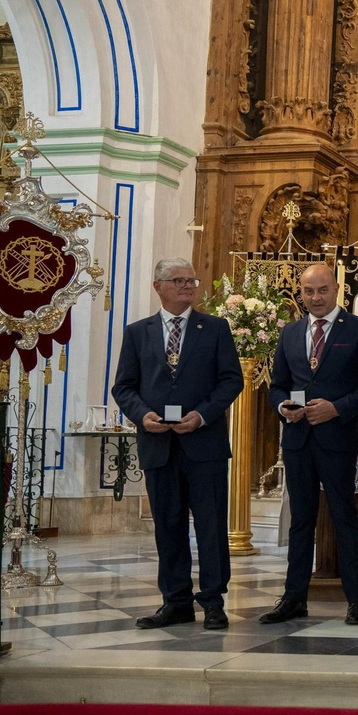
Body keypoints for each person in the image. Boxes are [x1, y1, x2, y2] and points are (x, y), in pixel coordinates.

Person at [111, 259, 244, 630]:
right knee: (168, 526)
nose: (188, 286)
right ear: (158, 286)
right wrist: (142, 416)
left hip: (204, 446)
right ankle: (175, 601)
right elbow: (123, 386)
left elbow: (231, 381)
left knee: (211, 526)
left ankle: (214, 602)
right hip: (159, 446)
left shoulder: (215, 328)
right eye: (179, 280)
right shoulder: (138, 332)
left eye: (191, 280)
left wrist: (201, 415)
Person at [263, 263, 358, 626]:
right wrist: (284, 407)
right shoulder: (291, 333)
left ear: (337, 289)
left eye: (322, 290)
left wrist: (336, 408)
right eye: (309, 291)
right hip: (298, 440)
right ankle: (294, 597)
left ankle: (356, 600)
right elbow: (277, 384)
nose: (316, 298)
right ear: (301, 293)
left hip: (338, 439)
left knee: (344, 518)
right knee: (300, 522)